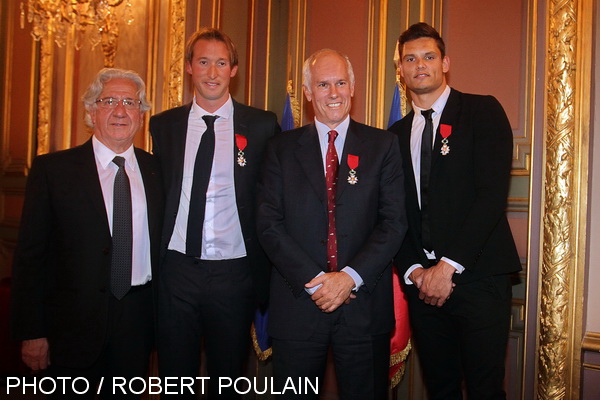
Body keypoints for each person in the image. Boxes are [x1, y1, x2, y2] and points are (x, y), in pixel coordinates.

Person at [257, 49, 407, 400]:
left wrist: (349, 278)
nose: (334, 93)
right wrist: (316, 284)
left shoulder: (383, 146)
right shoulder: (279, 148)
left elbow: (393, 222)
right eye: (323, 84)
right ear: (308, 92)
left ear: (353, 86)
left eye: (341, 82)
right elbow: (268, 223)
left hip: (363, 308)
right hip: (297, 308)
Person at [10, 68, 163, 398]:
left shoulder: (156, 171)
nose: (120, 110)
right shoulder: (54, 170)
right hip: (71, 325)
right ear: (91, 111)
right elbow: (29, 258)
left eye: (130, 102)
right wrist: (32, 332)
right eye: (109, 101)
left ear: (141, 113)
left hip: (137, 321)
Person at [388, 22, 522, 399]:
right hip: (423, 286)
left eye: (429, 56)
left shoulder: (481, 111)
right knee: (441, 388)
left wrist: (447, 268)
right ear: (400, 69)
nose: (420, 65)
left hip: (478, 279)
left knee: (485, 388)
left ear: (445, 62)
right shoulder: (394, 136)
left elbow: (491, 196)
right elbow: (393, 215)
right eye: (410, 59)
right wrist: (416, 272)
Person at [149, 27, 280, 398]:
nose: (211, 72)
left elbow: (273, 198)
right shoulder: (164, 125)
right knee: (175, 379)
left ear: (233, 70)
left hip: (234, 274)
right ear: (189, 67)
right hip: (176, 270)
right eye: (203, 62)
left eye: (221, 63)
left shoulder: (261, 125)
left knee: (228, 376)